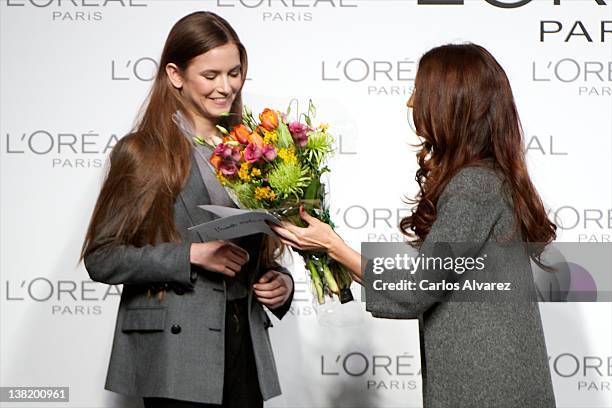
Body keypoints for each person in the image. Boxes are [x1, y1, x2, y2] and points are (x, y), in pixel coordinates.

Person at [271, 43, 557, 407]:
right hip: (493, 381)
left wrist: (333, 246)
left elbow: (416, 292)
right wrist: (334, 252)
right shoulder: (489, 177)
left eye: (419, 92)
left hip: (487, 387)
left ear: (451, 102)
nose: (410, 103)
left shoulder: (474, 185)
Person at [80, 11, 293, 408]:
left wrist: (279, 284)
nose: (226, 87)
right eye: (210, 76)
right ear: (175, 75)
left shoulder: (257, 150)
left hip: (243, 346)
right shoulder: (143, 152)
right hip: (176, 357)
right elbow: (102, 258)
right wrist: (191, 256)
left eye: (234, 73)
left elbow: (258, 251)